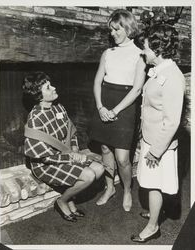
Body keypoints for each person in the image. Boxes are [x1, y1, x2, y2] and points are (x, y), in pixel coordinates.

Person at [23, 72, 104, 222]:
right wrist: (71, 157)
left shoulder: (59, 107)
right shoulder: (35, 119)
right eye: (48, 87)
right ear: (38, 96)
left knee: (99, 169)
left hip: (65, 155)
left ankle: (70, 196)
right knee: (89, 175)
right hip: (45, 164)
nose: (54, 88)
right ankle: (63, 201)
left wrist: (74, 149)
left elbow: (71, 132)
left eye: (51, 84)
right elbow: (44, 156)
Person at [130, 24, 185, 242]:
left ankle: (153, 226)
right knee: (152, 183)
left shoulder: (172, 76)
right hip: (151, 138)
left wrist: (156, 151)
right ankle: (155, 211)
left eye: (144, 48)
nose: (143, 52)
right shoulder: (160, 71)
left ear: (158, 47)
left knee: (153, 184)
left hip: (159, 144)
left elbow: (172, 121)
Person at [89, 9, 146, 211]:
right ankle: (109, 187)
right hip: (104, 103)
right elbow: (97, 82)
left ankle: (128, 190)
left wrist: (115, 111)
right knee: (105, 149)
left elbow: (137, 89)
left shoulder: (140, 55)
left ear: (128, 28)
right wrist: (100, 107)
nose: (112, 33)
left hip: (125, 107)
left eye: (116, 29)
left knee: (122, 158)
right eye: (111, 30)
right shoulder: (108, 53)